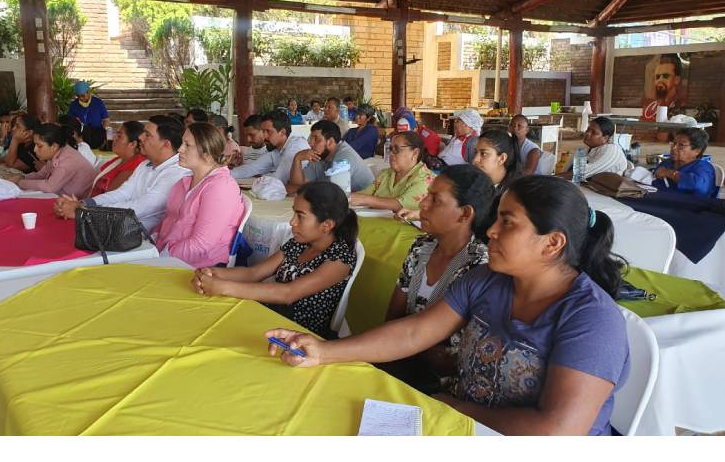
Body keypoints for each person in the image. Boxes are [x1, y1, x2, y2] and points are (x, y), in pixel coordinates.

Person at [267, 175, 630, 436]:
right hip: (463, 426)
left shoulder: (592, 320)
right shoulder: (487, 279)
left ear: (552, 244)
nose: (490, 231)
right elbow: (414, 331)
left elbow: (556, 433)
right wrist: (323, 351)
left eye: (508, 223)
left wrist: (454, 407)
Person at [379, 164, 495, 391]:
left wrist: (402, 341)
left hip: (442, 386)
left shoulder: (479, 266)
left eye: (435, 200)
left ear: (465, 213)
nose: (423, 203)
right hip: (403, 360)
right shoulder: (422, 247)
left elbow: (450, 361)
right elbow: (393, 318)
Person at [192, 181, 358, 338]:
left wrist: (223, 287)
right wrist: (212, 273)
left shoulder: (340, 259)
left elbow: (288, 293)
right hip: (270, 314)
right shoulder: (300, 243)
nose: (292, 222)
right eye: (294, 213)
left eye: (300, 216)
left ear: (327, 225)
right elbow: (254, 273)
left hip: (297, 333)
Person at [54, 116, 190, 231]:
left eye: (148, 135)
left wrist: (84, 211)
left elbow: (143, 206)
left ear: (166, 144)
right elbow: (123, 193)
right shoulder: (146, 164)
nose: (141, 137)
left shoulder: (177, 172)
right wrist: (86, 203)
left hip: (147, 239)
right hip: (122, 228)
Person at [154, 122, 245, 266]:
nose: (180, 149)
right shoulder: (183, 183)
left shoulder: (221, 187)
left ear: (207, 155)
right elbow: (167, 222)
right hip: (168, 256)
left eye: (187, 145)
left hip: (200, 267)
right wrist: (151, 243)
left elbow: (201, 245)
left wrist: (160, 258)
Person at [7, 123, 97, 198]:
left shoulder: (66, 162)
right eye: (35, 145)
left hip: (85, 204)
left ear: (54, 146)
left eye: (39, 146)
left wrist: (20, 182)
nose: (34, 150)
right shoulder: (59, 153)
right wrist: (22, 177)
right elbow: (41, 175)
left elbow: (49, 187)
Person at [351, 131, 434, 212]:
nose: (391, 154)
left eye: (396, 149)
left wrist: (366, 200)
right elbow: (364, 194)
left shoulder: (425, 178)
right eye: (390, 149)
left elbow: (401, 205)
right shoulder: (385, 174)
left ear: (415, 153)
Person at [287, 120, 374, 195]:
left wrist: (302, 189)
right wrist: (297, 159)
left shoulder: (344, 156)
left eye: (316, 139)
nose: (310, 143)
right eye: (311, 139)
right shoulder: (319, 156)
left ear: (330, 142)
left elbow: (333, 193)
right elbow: (294, 187)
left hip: (367, 210)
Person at [230, 110, 310, 184]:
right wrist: (222, 174)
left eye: (268, 131)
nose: (264, 136)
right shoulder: (277, 148)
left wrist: (261, 178)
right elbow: (251, 168)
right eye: (263, 131)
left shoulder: (296, 146)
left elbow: (279, 178)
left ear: (282, 132)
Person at [652, 128, 717, 198]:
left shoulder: (704, 167)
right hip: (660, 203)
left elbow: (698, 186)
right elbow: (654, 176)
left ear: (697, 151)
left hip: (689, 206)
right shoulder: (668, 163)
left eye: (681, 145)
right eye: (674, 143)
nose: (674, 148)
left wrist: (670, 173)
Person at [89, 120, 146, 198]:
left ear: (133, 144)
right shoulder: (119, 160)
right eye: (115, 134)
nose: (114, 138)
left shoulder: (134, 166)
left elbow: (109, 197)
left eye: (119, 136)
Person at [559, 117, 627, 180]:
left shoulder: (612, 150)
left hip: (604, 191)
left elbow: (580, 174)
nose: (588, 133)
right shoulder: (584, 150)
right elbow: (568, 171)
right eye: (588, 129)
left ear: (605, 138)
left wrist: (553, 179)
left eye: (594, 132)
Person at [473, 129, 522, 194]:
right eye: (475, 152)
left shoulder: (514, 194)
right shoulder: (477, 183)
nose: (474, 160)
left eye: (484, 154)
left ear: (502, 158)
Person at [67, 81, 109, 149]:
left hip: (97, 133)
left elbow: (106, 120)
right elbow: (70, 121)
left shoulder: (98, 103)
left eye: (83, 95)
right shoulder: (73, 105)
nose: (80, 98)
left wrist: (104, 134)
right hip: (81, 135)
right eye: (78, 96)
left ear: (88, 92)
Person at [642, 54, 684, 122]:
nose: (660, 80)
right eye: (657, 77)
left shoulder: (680, 104)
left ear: (677, 79)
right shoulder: (651, 104)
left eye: (665, 76)